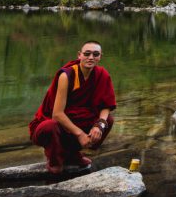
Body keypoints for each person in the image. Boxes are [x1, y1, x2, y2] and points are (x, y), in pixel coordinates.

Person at [29, 40, 116, 174]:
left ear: (100, 56)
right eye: (87, 54)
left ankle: (72, 155)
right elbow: (57, 114)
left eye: (95, 54)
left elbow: (106, 105)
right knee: (50, 126)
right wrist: (80, 134)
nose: (91, 57)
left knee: (108, 120)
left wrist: (100, 124)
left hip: (76, 122)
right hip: (52, 125)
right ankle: (54, 159)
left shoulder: (102, 74)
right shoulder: (67, 75)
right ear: (79, 55)